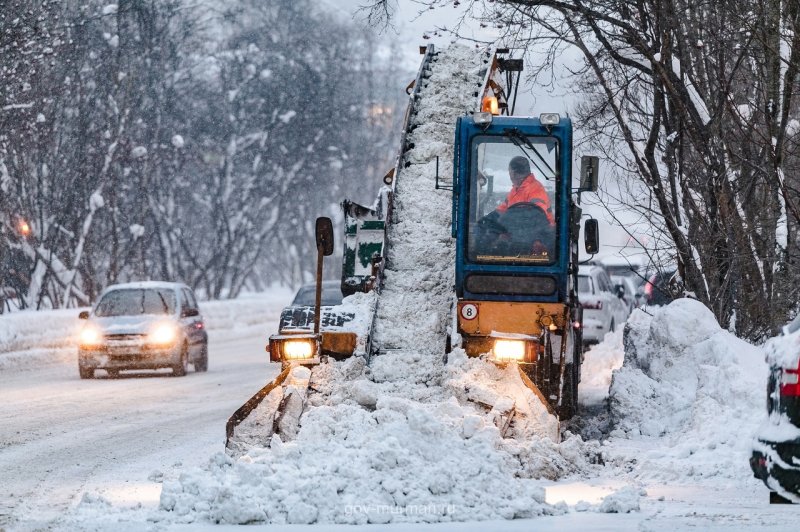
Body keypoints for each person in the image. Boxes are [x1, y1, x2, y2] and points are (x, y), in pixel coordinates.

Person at [475, 156, 555, 257]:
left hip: (542, 234)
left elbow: (537, 218)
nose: (510, 176)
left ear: (513, 173)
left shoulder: (536, 190)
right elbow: (502, 210)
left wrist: (512, 231)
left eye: (510, 173)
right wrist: (486, 221)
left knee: (506, 242)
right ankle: (481, 258)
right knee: (483, 228)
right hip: (518, 230)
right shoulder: (515, 191)